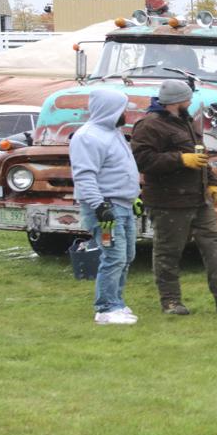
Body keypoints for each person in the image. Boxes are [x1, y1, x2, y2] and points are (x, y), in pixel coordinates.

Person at [132, 79, 217, 315]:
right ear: (176, 101)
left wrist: (210, 182)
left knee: (214, 247)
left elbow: (200, 154)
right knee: (168, 252)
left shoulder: (185, 121)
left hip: (199, 198)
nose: (190, 102)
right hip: (168, 201)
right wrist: (180, 160)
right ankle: (170, 302)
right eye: (188, 98)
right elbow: (143, 160)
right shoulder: (149, 126)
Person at [71, 87, 142, 325]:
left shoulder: (114, 133)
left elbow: (121, 169)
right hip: (105, 209)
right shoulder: (87, 136)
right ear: (109, 109)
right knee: (113, 255)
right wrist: (99, 206)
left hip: (122, 205)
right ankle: (106, 308)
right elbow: (85, 176)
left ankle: (117, 302)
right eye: (123, 108)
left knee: (127, 254)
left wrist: (135, 197)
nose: (126, 113)